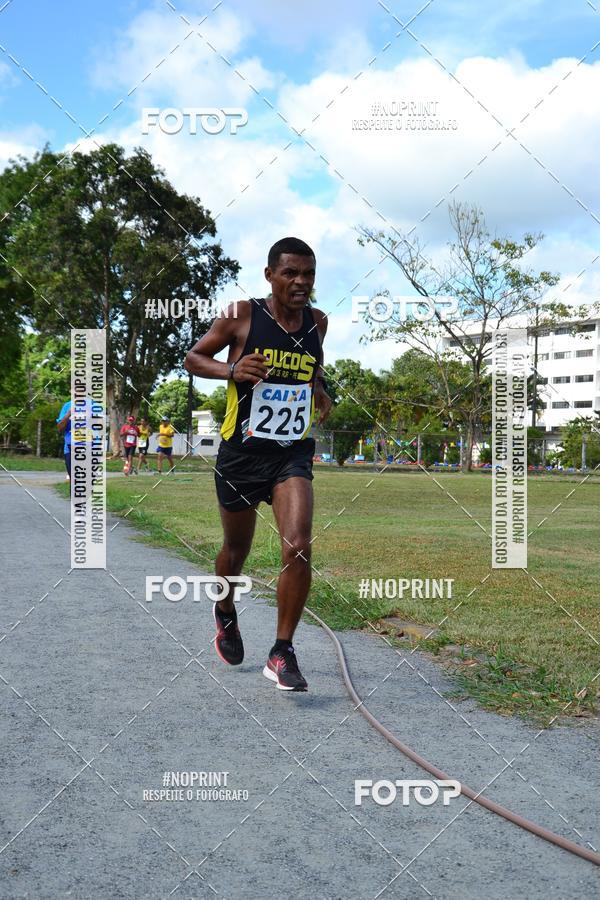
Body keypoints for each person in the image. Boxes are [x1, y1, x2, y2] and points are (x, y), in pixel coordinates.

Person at [184, 236, 332, 691]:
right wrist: (232, 370)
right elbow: (193, 358)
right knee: (235, 553)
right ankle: (225, 609)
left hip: (290, 452)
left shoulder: (318, 322)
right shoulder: (241, 315)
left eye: (308, 273)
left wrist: (321, 388)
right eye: (290, 273)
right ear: (270, 275)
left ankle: (282, 651)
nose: (301, 282)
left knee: (299, 545)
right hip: (241, 455)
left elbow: (314, 365)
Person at [56, 400, 72, 481]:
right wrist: (68, 414)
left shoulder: (92, 405)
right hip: (70, 448)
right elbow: (59, 427)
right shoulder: (67, 406)